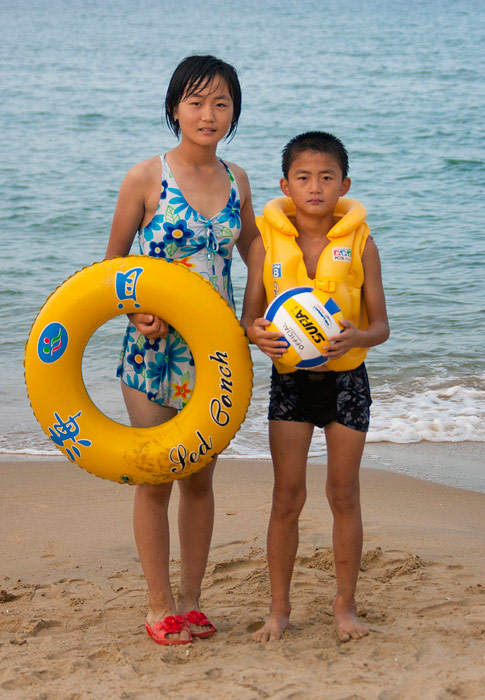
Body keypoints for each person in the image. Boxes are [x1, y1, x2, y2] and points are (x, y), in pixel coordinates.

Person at [105, 55, 259, 645]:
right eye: (196, 102)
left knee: (199, 480)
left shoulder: (238, 179)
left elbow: (257, 255)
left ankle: (192, 602)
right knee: (157, 476)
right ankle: (157, 606)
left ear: (234, 113)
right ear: (175, 108)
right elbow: (113, 264)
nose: (208, 114)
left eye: (221, 103)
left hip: (215, 356)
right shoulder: (146, 177)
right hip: (153, 352)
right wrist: (134, 309)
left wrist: (254, 316)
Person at [241, 131, 389, 643]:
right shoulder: (264, 244)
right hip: (291, 387)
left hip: (348, 382)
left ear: (344, 184)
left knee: (344, 494)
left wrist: (357, 334)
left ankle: (344, 606)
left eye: (327, 177)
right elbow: (250, 319)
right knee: (287, 497)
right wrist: (258, 336)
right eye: (303, 177)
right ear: (285, 185)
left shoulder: (362, 244)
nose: (315, 187)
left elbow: (381, 327)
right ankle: (278, 610)